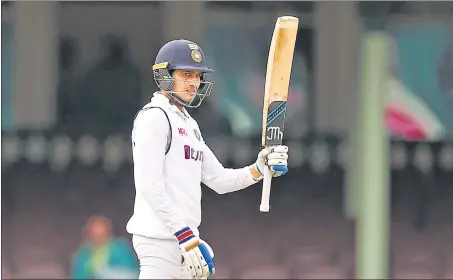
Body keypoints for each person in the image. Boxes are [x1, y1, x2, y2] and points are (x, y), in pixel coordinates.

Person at [126, 39, 289, 279]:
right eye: (186, 74)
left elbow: (218, 179)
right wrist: (183, 234)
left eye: (197, 76)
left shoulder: (189, 124)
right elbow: (149, 185)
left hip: (185, 240)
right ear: (164, 75)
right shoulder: (154, 117)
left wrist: (259, 169)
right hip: (159, 241)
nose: (194, 83)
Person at [71, 215, 139, 279]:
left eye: (102, 234)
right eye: (95, 235)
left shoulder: (119, 249)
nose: (98, 238)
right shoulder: (84, 255)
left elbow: (131, 272)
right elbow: (78, 275)